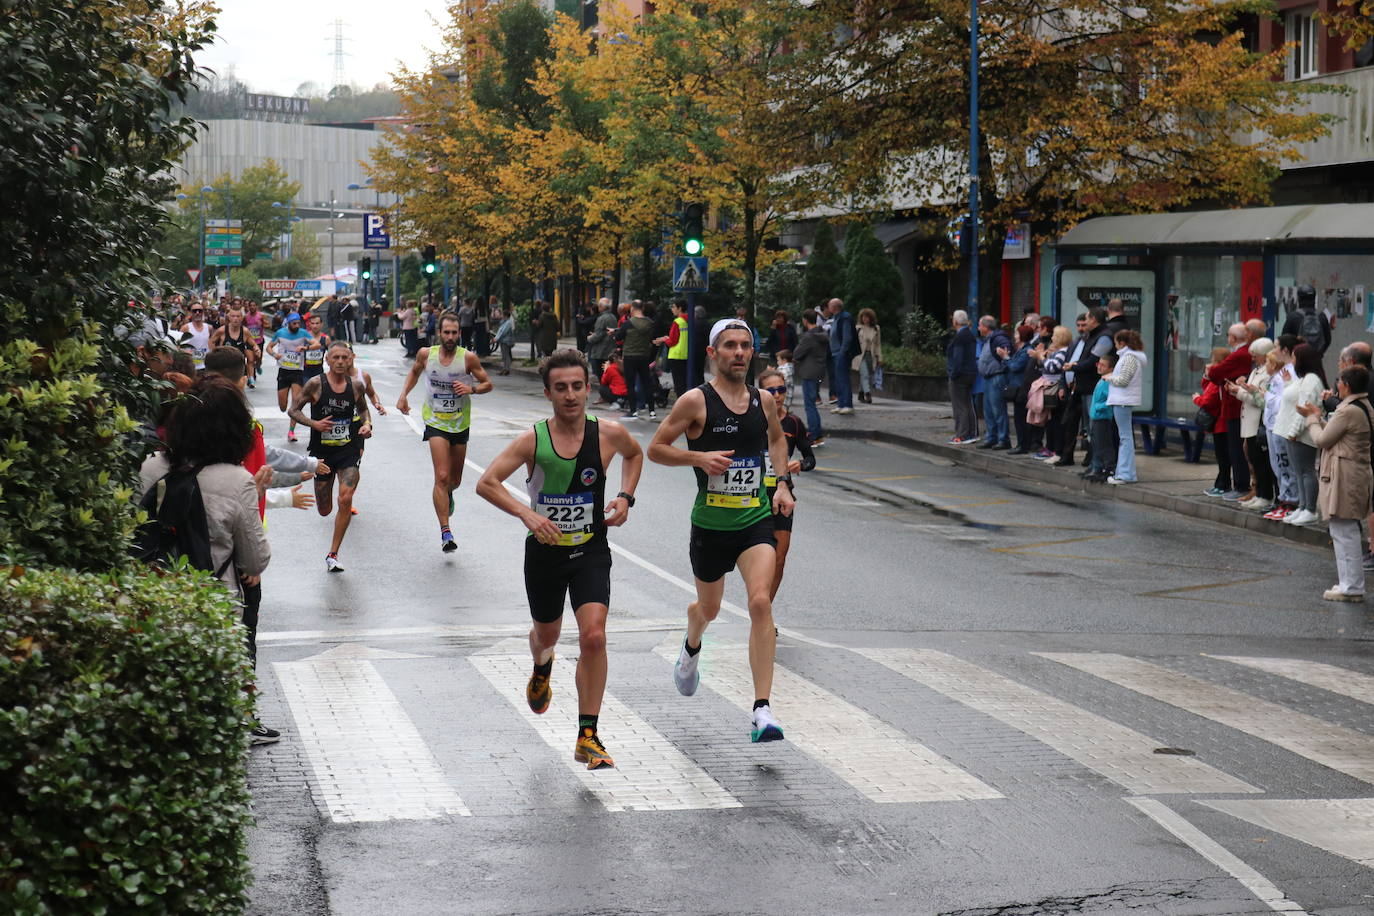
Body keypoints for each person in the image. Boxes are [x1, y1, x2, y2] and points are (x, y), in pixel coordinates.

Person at [476, 349, 643, 769]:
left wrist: (624, 497)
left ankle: (588, 735)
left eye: (577, 386)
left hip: (591, 550)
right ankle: (541, 664)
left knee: (594, 637)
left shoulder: (608, 433)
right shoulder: (533, 439)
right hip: (546, 555)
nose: (570, 395)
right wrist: (527, 513)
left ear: (589, 388)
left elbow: (635, 455)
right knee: (547, 634)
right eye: (561, 388)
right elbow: (487, 483)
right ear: (548, 392)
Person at [648, 319, 796, 743]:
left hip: (754, 521)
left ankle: (762, 710)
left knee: (760, 602)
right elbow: (656, 449)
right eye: (730, 345)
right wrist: (699, 459)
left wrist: (781, 482)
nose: (739, 353)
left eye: (745, 346)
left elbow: (777, 441)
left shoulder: (763, 400)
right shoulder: (695, 402)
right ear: (712, 353)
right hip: (711, 525)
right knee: (708, 609)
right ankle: (692, 643)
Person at [139, 375, 274, 742]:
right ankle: (245, 717)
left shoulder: (151, 466)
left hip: (154, 597)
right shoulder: (236, 480)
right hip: (214, 607)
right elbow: (255, 560)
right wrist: (256, 490)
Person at [396, 311, 495, 551]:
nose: (450, 337)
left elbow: (488, 384)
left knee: (455, 480)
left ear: (459, 334)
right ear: (439, 333)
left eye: (454, 332)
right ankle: (446, 532)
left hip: (460, 423)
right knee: (441, 476)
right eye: (446, 332)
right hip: (436, 421)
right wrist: (403, 396)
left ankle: (448, 493)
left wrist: (471, 390)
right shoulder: (425, 354)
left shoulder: (468, 358)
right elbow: (414, 372)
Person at [288, 341, 373, 571]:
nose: (340, 362)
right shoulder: (316, 384)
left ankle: (333, 554)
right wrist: (314, 423)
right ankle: (331, 539)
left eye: (344, 358)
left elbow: (364, 410)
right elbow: (293, 410)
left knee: (345, 499)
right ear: (327, 360)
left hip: (348, 450)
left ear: (350, 359)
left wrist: (366, 424)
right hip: (322, 453)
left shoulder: (356, 386)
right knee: (324, 509)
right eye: (335, 357)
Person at [1296, 366, 1373, 601]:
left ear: (1347, 385)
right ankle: (1349, 583)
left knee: (1344, 530)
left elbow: (1322, 439)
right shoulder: (1362, 406)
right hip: (1352, 472)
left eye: (1339, 381)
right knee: (1343, 529)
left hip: (1345, 474)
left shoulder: (1348, 411)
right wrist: (1319, 416)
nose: (1336, 385)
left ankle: (1352, 587)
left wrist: (1311, 418)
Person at [756, 368, 814, 600]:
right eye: (771, 391)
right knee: (759, 558)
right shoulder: (753, 419)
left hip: (783, 496)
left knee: (779, 558)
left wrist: (800, 463)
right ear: (762, 393)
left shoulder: (793, 423)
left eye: (781, 390)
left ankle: (764, 610)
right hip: (755, 495)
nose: (777, 395)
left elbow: (811, 459)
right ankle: (757, 602)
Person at [1274, 342, 1328, 526]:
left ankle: (1310, 509)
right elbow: (1297, 396)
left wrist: (1293, 432)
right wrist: (1289, 381)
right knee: (1299, 472)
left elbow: (1305, 407)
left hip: (1301, 433)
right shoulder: (1305, 378)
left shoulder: (1312, 379)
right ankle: (1303, 506)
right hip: (1295, 432)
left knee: (1306, 471)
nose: (1293, 360)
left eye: (1295, 357)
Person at [1205, 323, 1254, 500]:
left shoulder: (1239, 354)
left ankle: (1241, 485)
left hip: (1235, 406)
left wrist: (1211, 371)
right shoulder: (1243, 354)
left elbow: (1216, 372)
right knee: (1236, 448)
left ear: (1233, 338)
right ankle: (1239, 484)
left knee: (1236, 449)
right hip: (1237, 405)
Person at [1230, 338, 1278, 511]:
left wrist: (1240, 393)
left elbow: (1260, 400)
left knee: (1262, 461)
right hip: (1249, 421)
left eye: (1256, 356)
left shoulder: (1267, 374)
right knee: (1255, 461)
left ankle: (1265, 495)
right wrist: (1241, 388)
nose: (1253, 359)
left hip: (1258, 421)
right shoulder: (1257, 370)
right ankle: (1259, 494)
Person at [1101, 329, 1148, 484]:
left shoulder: (1129, 358)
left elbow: (1123, 380)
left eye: (1116, 343)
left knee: (1125, 437)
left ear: (1122, 343)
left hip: (1122, 400)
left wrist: (1109, 378)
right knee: (1125, 437)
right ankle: (1126, 472)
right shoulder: (1130, 357)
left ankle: (1125, 474)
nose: (1115, 346)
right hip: (1123, 400)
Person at [1262, 337, 1300, 520]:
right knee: (1277, 466)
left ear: (1285, 350)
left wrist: (1268, 396)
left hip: (1282, 424)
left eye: (1277, 346)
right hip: (1273, 424)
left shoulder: (1292, 372)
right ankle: (1284, 500)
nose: (1274, 349)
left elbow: (1287, 400)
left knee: (1285, 465)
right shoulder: (1282, 372)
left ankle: (1291, 502)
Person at [266, 311, 313, 442]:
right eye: (294, 323)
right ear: (289, 323)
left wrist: (305, 347)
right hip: (283, 371)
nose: (297, 325)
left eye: (298, 323)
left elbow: (316, 344)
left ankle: (291, 432)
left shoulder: (303, 333)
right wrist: (275, 355)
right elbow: (269, 347)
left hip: (297, 371)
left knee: (295, 403)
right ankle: (287, 411)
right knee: (282, 406)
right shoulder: (280, 333)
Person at [615, 300, 657, 420]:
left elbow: (619, 337)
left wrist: (615, 334)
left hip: (630, 356)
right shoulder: (650, 323)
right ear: (642, 308)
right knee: (646, 383)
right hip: (644, 356)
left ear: (633, 309)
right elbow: (652, 338)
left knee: (630, 384)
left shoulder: (628, 323)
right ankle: (652, 411)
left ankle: (633, 411)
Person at [792, 309, 829, 446]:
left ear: (805, 320)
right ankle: (817, 435)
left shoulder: (809, 337)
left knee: (809, 406)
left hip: (809, 373)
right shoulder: (823, 334)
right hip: (819, 371)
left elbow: (797, 353)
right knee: (812, 404)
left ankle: (814, 435)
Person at [976, 316, 1013, 450]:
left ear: (986, 327)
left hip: (996, 377)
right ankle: (991, 437)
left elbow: (1007, 351)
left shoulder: (998, 338)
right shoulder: (988, 339)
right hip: (988, 378)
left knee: (998, 410)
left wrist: (1003, 357)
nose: (978, 328)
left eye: (980, 325)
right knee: (989, 411)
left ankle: (1003, 439)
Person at [946, 309, 978, 444]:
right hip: (970, 373)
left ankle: (962, 434)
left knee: (959, 405)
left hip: (960, 374)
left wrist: (953, 374)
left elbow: (958, 358)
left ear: (956, 321)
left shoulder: (960, 337)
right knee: (967, 404)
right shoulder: (970, 334)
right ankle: (971, 432)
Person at [210, 303, 261, 389]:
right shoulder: (222, 330)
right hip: (224, 366)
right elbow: (211, 341)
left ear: (241, 318)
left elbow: (253, 344)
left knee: (238, 391)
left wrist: (257, 349)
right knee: (225, 390)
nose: (235, 319)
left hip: (239, 367)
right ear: (229, 317)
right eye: (233, 316)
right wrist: (214, 353)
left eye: (238, 316)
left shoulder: (245, 331)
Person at [1085, 352, 1118, 482]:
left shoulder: (1107, 382)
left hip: (1102, 417)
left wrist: (1098, 407)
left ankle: (1109, 467)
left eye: (1103, 365)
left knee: (1104, 444)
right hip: (1096, 416)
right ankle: (1097, 467)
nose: (1099, 367)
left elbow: (1110, 400)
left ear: (1111, 369)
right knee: (1096, 443)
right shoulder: (1102, 380)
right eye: (1099, 364)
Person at [654, 300, 692, 401]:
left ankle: (681, 404)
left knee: (679, 384)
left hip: (676, 355)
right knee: (685, 381)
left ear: (679, 308)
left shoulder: (678, 321)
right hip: (687, 354)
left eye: (674, 307)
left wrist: (664, 339)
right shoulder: (689, 320)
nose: (672, 309)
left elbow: (672, 341)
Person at [1007, 326, 1036, 454]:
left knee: (1021, 417)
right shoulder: (1021, 350)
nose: (1015, 335)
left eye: (1017, 333)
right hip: (1019, 386)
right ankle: (1022, 443)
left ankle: (1023, 444)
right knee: (1019, 417)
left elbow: (1014, 366)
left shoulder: (1027, 351)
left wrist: (1006, 358)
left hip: (1022, 387)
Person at [1281, 284, 1332, 355]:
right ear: (1314, 298)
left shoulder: (1293, 317)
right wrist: (1319, 354)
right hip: (1315, 360)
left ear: (1299, 298)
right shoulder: (1322, 316)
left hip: (1297, 359)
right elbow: (1328, 340)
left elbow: (1284, 339)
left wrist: (1292, 355)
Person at [826, 298, 856, 414]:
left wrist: (842, 352)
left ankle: (847, 404)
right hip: (835, 353)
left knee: (843, 379)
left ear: (834, 307)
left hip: (840, 353)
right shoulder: (836, 318)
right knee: (838, 379)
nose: (828, 308)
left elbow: (847, 337)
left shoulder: (845, 318)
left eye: (829, 305)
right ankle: (841, 403)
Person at [586, 299, 618, 380]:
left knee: (602, 375)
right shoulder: (613, 317)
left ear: (601, 307)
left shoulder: (602, 318)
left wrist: (589, 338)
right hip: (610, 348)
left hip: (601, 351)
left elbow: (598, 335)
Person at [855, 308, 882, 404]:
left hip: (871, 355)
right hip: (860, 355)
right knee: (865, 374)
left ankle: (861, 393)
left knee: (866, 375)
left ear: (871, 318)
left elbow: (878, 344)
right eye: (863, 317)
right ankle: (868, 394)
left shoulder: (876, 328)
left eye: (867, 317)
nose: (865, 319)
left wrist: (880, 357)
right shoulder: (858, 328)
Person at [299, 312, 330, 392]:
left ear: (321, 324)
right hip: (305, 371)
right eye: (312, 323)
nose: (315, 326)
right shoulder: (304, 337)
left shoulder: (325, 339)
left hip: (319, 370)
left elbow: (331, 354)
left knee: (318, 395)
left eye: (317, 323)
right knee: (307, 394)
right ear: (309, 324)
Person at [179, 302, 213, 371]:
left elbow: (212, 344)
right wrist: (188, 353)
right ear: (191, 313)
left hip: (205, 365)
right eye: (194, 311)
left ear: (203, 312)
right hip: (190, 366)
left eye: (200, 311)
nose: (197, 313)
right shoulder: (185, 328)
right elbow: (178, 346)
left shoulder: (209, 327)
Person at [494, 307, 516, 375]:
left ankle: (507, 369)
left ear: (505, 315)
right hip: (504, 341)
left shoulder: (508, 323)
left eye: (503, 315)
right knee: (504, 356)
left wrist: (496, 338)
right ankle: (505, 368)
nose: (501, 316)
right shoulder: (505, 322)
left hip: (506, 341)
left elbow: (503, 332)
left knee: (506, 356)